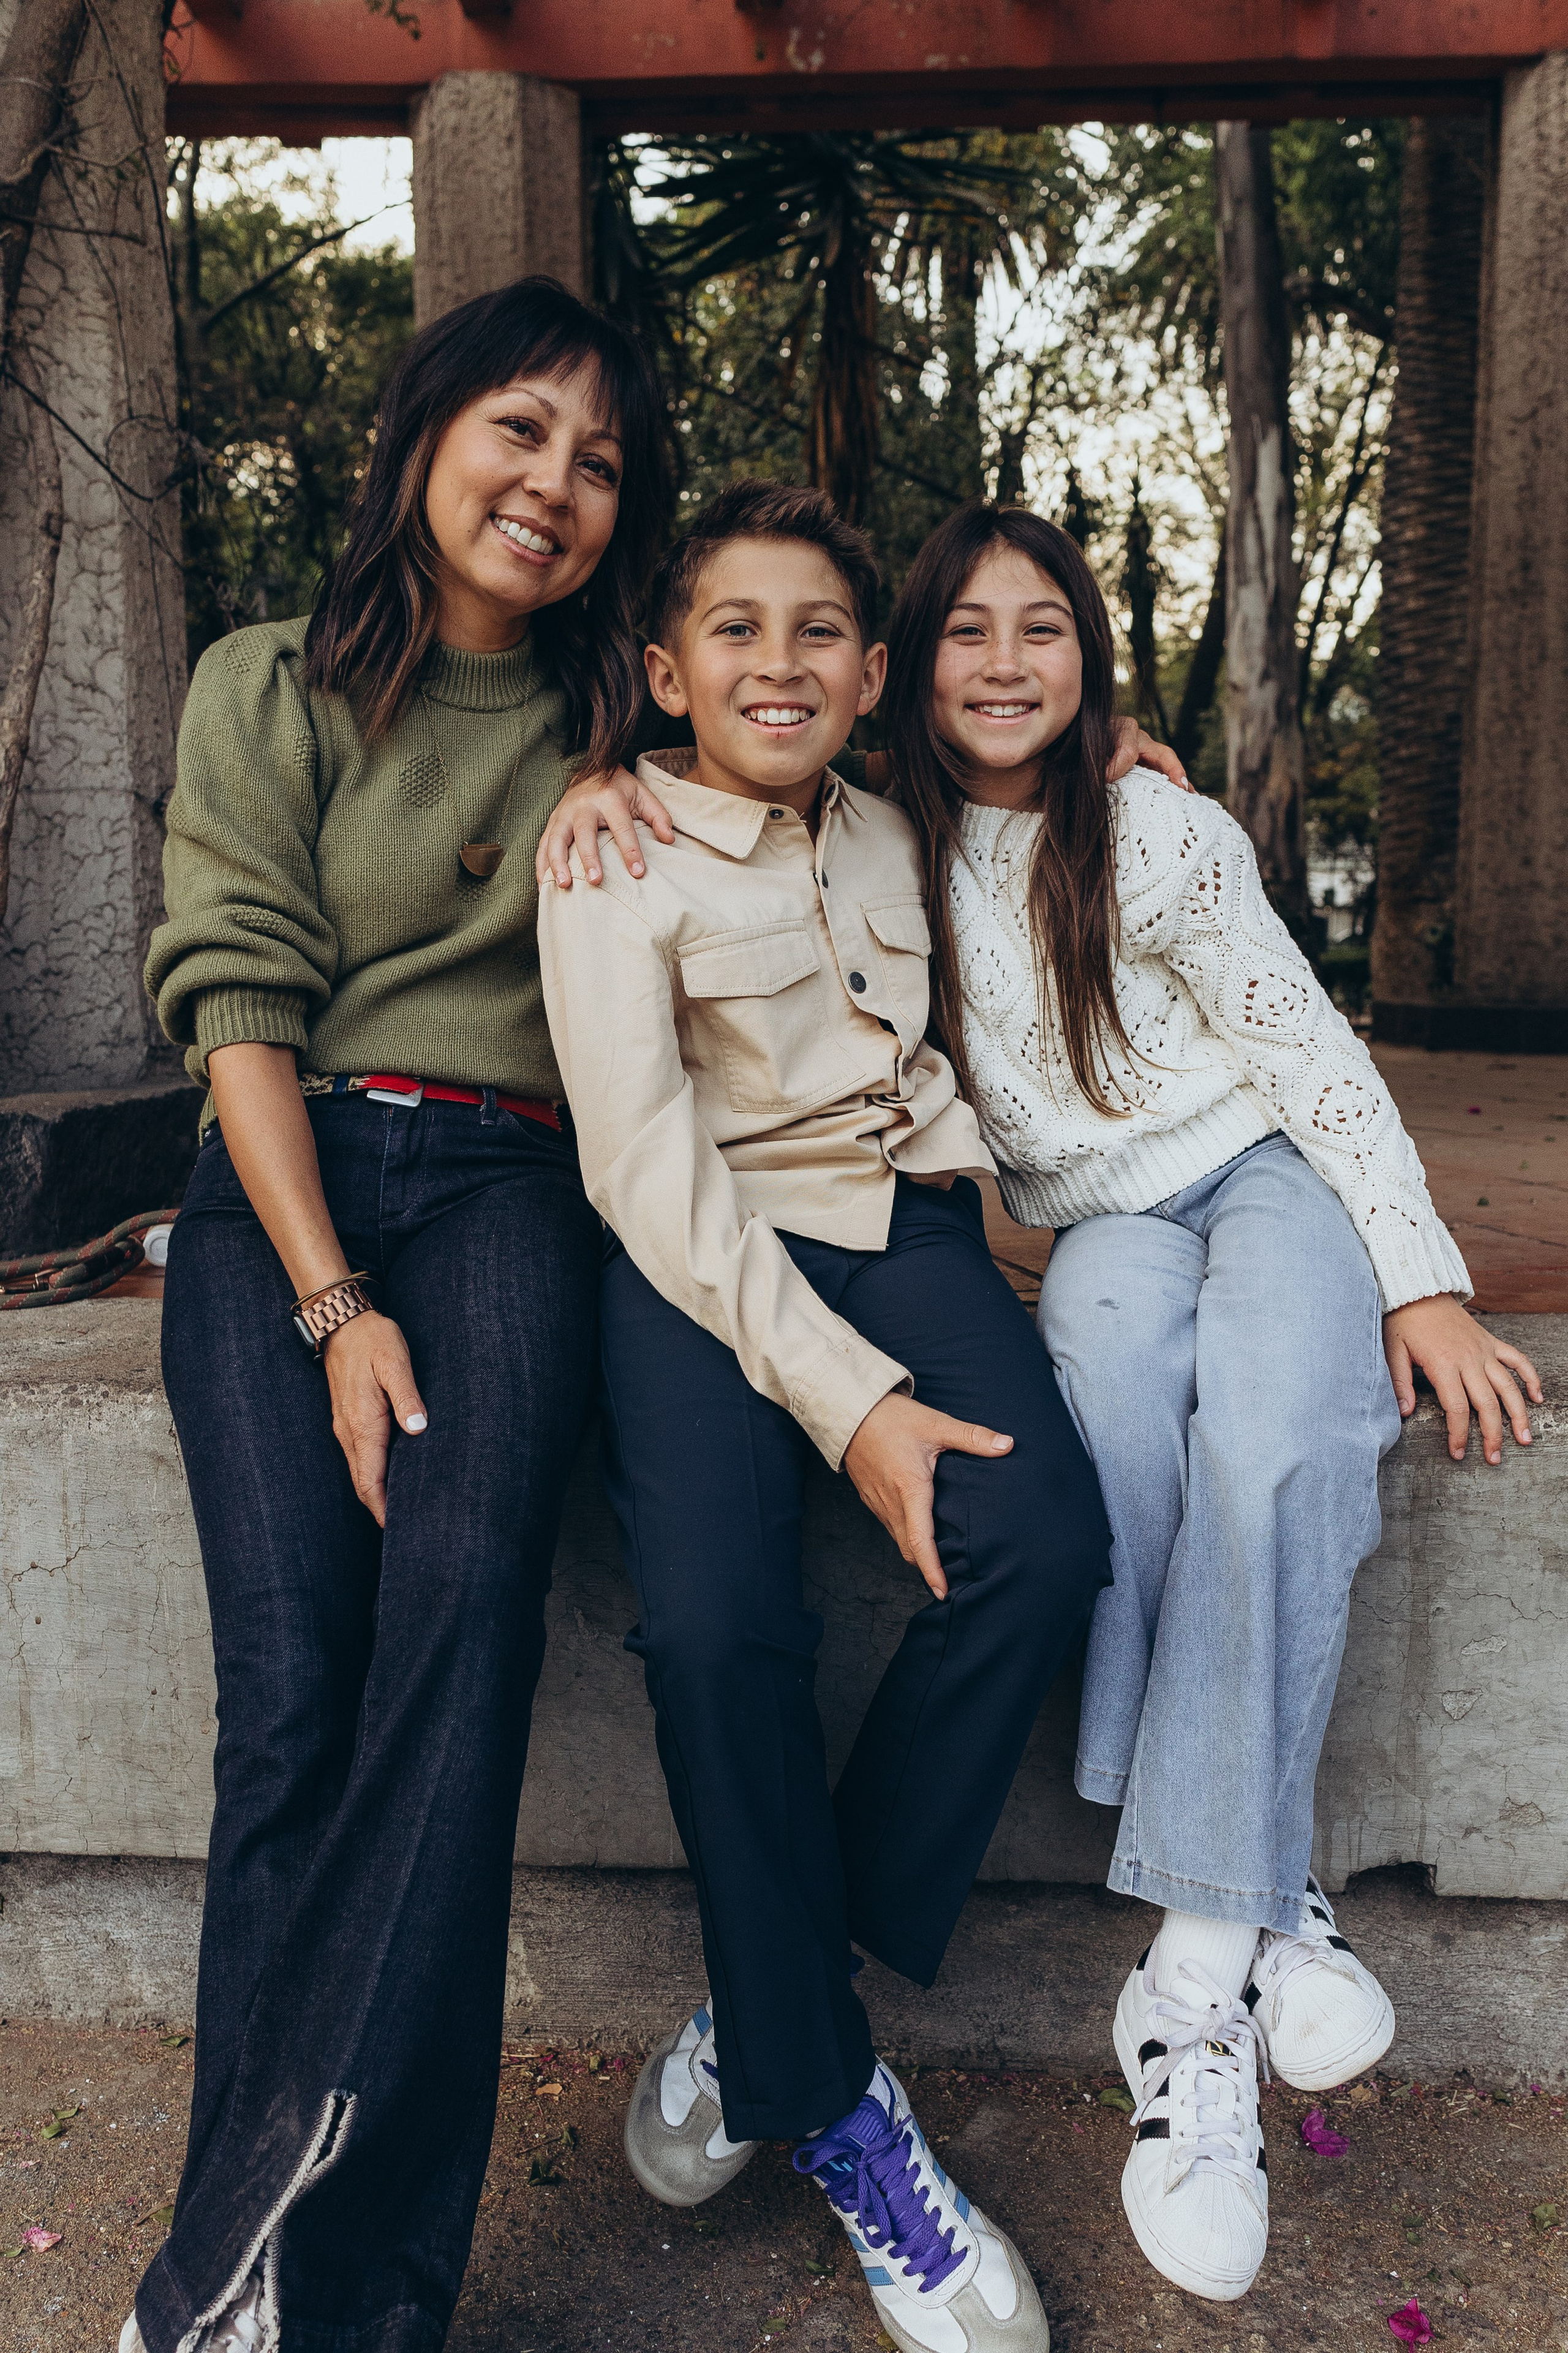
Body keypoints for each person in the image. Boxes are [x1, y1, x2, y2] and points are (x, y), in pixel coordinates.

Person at [872, 502, 1542, 2303]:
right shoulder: (870, 847)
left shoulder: (1155, 828)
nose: (1006, 661)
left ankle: (1190, 1981)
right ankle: (1268, 1881)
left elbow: (1312, 1059)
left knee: (1277, 1428)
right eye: (965, 630)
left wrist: (1418, 1274)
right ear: (905, 664)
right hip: (1102, 1223)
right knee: (1105, 1387)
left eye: (1042, 628)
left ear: (1090, 658)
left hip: (1267, 1173)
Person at [131, 277, 671, 2353]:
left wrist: (1105, 752)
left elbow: (832, 725)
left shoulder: (622, 722)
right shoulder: (265, 685)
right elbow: (236, 1005)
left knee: (462, 1635)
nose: (555, 484)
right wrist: (333, 1296)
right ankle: (286, 2284)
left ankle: (267, 2272)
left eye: (600, 460)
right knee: (291, 1696)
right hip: (285, 1192)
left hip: (511, 1191)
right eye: (521, 428)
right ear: (426, 433)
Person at [538, 479, 1112, 2353]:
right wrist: (854, 1405)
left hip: (900, 1226)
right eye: (736, 627)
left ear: (874, 678)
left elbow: (1047, 806)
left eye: (819, 633)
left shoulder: (901, 824)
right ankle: (843, 2104)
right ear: (664, 670)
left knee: (1042, 1538)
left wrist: (1130, 762)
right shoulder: (613, 851)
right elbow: (644, 1164)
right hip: (696, 1259)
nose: (777, 662)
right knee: (717, 1627)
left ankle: (767, 1994)